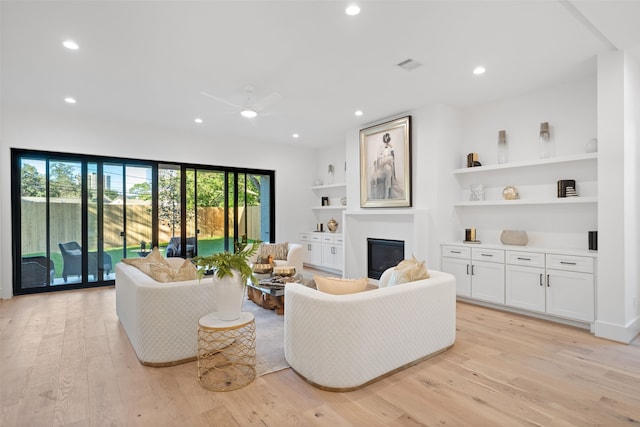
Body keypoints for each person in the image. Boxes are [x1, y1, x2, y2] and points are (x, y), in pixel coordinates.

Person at [372, 132, 396, 198]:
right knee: (389, 158)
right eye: (385, 138)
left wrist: (392, 148)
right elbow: (378, 155)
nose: (386, 140)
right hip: (381, 164)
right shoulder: (381, 147)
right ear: (384, 139)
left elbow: (393, 156)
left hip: (387, 165)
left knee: (388, 168)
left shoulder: (390, 147)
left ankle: (387, 191)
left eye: (387, 138)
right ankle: (393, 178)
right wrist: (383, 156)